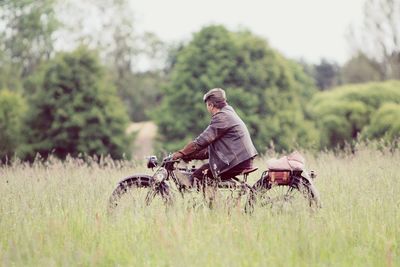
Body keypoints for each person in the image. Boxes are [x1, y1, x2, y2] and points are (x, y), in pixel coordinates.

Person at [172, 88, 258, 181]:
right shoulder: (228, 112)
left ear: (211, 105)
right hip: (243, 160)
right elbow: (209, 151)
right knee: (205, 171)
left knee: (197, 176)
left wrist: (181, 153)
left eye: (207, 105)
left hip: (237, 162)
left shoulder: (222, 117)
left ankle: (210, 196)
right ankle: (211, 195)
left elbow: (201, 141)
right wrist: (189, 155)